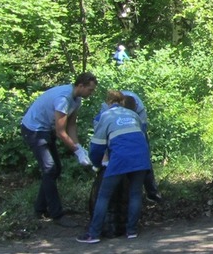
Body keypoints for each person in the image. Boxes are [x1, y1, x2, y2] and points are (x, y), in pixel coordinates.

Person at [20, 72, 98, 226]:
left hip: (45, 129)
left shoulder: (76, 100)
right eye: (90, 89)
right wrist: (76, 152)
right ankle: (57, 215)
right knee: (50, 169)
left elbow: (71, 126)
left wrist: (80, 148)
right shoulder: (63, 99)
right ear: (80, 86)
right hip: (34, 130)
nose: (92, 93)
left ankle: (40, 209)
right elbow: (60, 132)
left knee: (55, 169)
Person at [78, 93, 152, 244]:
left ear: (109, 102)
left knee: (104, 195)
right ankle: (131, 231)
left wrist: (97, 164)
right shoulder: (133, 114)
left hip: (120, 159)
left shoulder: (105, 116)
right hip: (141, 157)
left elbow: (97, 147)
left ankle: (94, 234)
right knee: (135, 194)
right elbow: (142, 137)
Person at [95, 90, 162, 203]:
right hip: (112, 129)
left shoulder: (139, 109)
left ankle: (152, 192)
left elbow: (141, 131)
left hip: (135, 129)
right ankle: (115, 189)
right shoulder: (107, 109)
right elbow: (99, 130)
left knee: (143, 154)